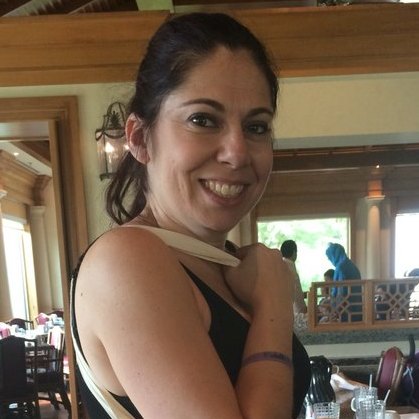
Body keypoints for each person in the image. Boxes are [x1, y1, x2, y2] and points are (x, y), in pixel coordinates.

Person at [71, 12, 311, 419]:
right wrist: (274, 303)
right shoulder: (127, 260)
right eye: (203, 120)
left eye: (256, 127)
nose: (237, 153)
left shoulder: (225, 263)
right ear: (140, 138)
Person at [325, 242, 362, 322]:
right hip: (357, 307)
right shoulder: (351, 265)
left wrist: (335, 308)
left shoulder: (341, 268)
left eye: (330, 257)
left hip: (346, 309)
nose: (330, 260)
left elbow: (341, 292)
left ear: (334, 255)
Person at [280, 239, 307, 316]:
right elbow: (296, 292)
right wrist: (303, 310)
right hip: (293, 312)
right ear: (294, 252)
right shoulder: (290, 267)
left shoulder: (279, 265)